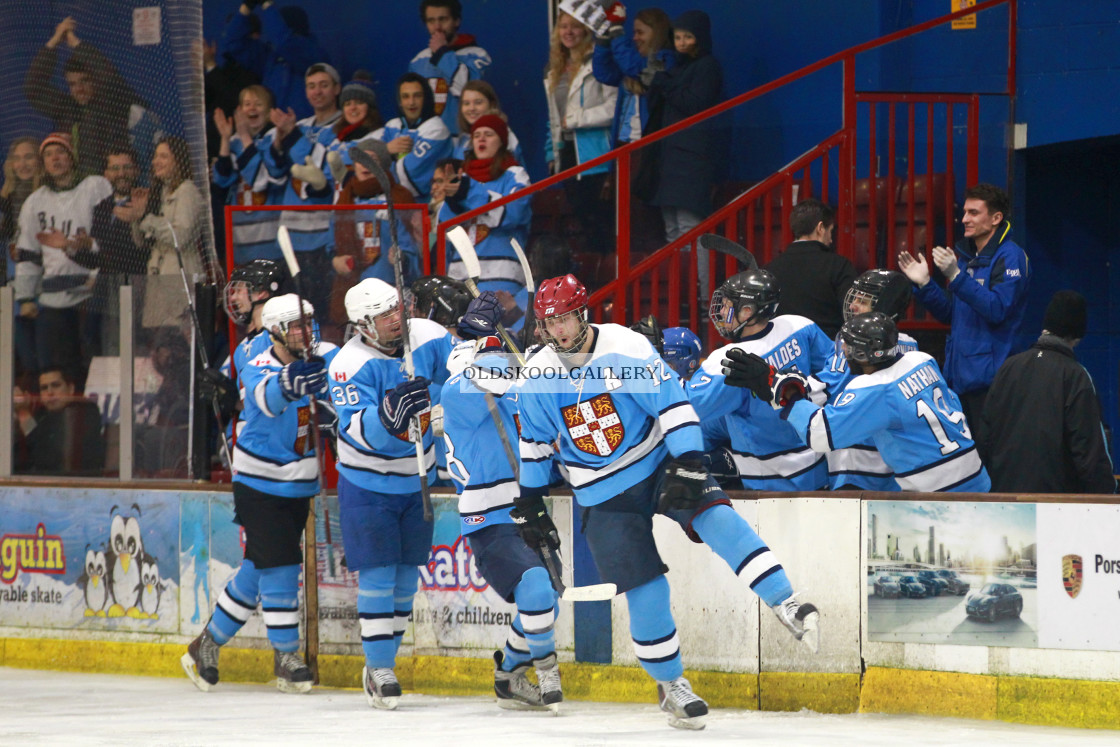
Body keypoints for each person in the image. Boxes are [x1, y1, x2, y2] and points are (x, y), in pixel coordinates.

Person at [514, 273, 819, 730]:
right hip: (600, 493)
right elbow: (535, 445)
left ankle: (785, 600)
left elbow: (673, 406)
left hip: (657, 463)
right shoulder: (536, 375)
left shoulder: (627, 347)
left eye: (566, 319)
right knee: (648, 588)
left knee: (716, 516)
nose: (559, 331)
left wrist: (691, 459)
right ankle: (673, 686)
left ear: (584, 314)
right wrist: (532, 502)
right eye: (549, 323)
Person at [182, 294, 336, 694]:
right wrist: (290, 383)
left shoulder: (326, 355)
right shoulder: (257, 359)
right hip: (258, 482)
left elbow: (346, 382)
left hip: (301, 481)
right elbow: (263, 399)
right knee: (281, 565)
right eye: (298, 326)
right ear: (277, 332)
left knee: (259, 565)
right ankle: (286, 656)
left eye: (310, 323)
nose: (308, 331)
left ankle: (207, 643)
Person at [327, 278, 454, 709]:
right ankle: (380, 667)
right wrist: (387, 417)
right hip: (368, 485)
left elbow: (463, 372)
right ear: (364, 324)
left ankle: (381, 661)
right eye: (384, 315)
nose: (396, 318)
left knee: (404, 583)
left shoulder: (428, 337)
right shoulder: (348, 364)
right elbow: (359, 432)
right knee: (380, 575)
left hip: (416, 478)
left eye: (397, 309)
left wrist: (476, 336)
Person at [440, 296, 563, 709]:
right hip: (486, 517)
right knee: (535, 587)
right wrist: (493, 342)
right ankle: (546, 669)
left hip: (527, 508)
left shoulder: (511, 385)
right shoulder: (458, 390)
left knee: (547, 600)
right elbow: (484, 375)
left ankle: (509, 674)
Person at [759, 311, 990, 493]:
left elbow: (820, 434)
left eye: (847, 346)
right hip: (977, 475)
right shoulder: (922, 359)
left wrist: (791, 396)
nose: (843, 351)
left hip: (938, 491)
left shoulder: (875, 387)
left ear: (862, 354)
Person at [898, 182, 1031, 432]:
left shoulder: (1010, 257)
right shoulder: (968, 259)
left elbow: (997, 309)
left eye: (973, 213)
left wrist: (957, 276)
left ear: (996, 218)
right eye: (965, 212)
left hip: (992, 384)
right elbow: (951, 314)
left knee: (991, 461)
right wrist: (926, 285)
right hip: (961, 379)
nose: (964, 219)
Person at [688, 269, 834, 491]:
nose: (722, 311)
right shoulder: (798, 325)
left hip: (767, 477)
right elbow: (836, 371)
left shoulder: (726, 361)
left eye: (728, 305)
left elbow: (688, 410)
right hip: (817, 462)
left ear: (747, 312)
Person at [981, 291, 1115, 494]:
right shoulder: (1076, 376)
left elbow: (985, 437)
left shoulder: (1008, 368)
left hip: (1004, 503)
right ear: (1077, 336)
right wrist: (1108, 497)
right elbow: (1090, 454)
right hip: (1055, 507)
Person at [14, 133, 112, 380]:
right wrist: (25, 298)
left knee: (92, 363)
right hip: (52, 297)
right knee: (56, 369)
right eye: (48, 154)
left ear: (71, 157)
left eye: (60, 152)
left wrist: (86, 247)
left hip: (92, 293)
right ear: (43, 162)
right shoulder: (35, 202)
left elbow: (110, 242)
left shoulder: (94, 187)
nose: (54, 159)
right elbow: (28, 254)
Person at [814, 269, 918, 490]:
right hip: (894, 460)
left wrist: (784, 386)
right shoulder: (911, 345)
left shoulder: (853, 342)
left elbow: (825, 388)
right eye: (854, 298)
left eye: (862, 301)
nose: (853, 306)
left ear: (885, 308)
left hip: (854, 461)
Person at [261, 62, 345, 319]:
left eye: (323, 85)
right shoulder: (300, 126)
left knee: (316, 312)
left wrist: (291, 137)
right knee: (291, 310)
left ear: (336, 89)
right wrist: (279, 142)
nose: (317, 91)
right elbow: (274, 173)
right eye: (311, 86)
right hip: (290, 235)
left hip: (321, 237)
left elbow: (319, 173)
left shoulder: (341, 127)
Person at [24, 17, 145, 176]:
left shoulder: (112, 102)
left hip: (108, 182)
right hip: (74, 186)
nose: (79, 89)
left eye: (84, 81)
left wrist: (75, 43)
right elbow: (33, 88)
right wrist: (54, 41)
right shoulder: (66, 108)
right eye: (72, 84)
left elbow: (108, 77)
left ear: (95, 80)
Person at [643, 10, 722, 243]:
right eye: (678, 37)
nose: (682, 43)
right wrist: (656, 81)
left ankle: (700, 281)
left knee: (691, 229)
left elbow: (695, 104)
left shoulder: (708, 67)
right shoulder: (676, 69)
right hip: (669, 161)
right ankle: (684, 279)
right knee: (673, 230)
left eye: (688, 37)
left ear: (700, 37)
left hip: (692, 162)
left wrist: (663, 83)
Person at [544, 11, 618, 255]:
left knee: (601, 222)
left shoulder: (599, 63)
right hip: (567, 155)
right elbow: (554, 118)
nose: (568, 32)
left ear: (587, 30)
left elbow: (613, 108)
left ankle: (611, 279)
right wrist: (552, 152)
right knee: (583, 222)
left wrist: (577, 119)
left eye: (575, 26)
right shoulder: (554, 70)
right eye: (563, 26)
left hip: (595, 155)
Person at [330, 139, 420, 331]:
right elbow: (330, 248)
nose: (365, 165)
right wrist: (334, 261)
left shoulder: (399, 197)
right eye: (361, 160)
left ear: (383, 165)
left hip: (389, 292)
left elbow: (412, 246)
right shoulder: (344, 200)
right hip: (352, 292)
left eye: (372, 159)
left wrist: (402, 258)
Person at [441, 115, 531, 294]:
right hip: (460, 279)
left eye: (489, 134)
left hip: (503, 278)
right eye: (477, 135)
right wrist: (453, 200)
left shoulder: (516, 175)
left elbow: (513, 214)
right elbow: (446, 231)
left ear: (502, 141)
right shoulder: (462, 180)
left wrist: (468, 191)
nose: (481, 139)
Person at [212, 84, 286, 264]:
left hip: (271, 239)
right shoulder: (234, 142)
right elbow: (221, 180)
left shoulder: (275, 138)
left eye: (258, 104)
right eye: (247, 104)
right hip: (240, 239)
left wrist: (245, 136)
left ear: (269, 111)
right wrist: (224, 138)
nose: (252, 108)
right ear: (239, 110)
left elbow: (261, 180)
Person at [220, 1, 330, 119]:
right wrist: (245, 8)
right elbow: (232, 44)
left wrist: (267, 6)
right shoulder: (269, 57)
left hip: (303, 129)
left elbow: (284, 42)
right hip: (272, 129)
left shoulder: (313, 53)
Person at [765, 199, 857, 339]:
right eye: (830, 231)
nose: (831, 239)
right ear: (820, 228)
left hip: (782, 354)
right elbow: (853, 311)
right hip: (828, 354)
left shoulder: (769, 270)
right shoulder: (839, 266)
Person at [591, 6, 675, 150]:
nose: (635, 38)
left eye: (640, 33)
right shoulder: (633, 60)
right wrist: (603, 38)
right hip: (623, 143)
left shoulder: (665, 58)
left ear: (657, 34)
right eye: (634, 32)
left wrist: (617, 30)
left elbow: (636, 68)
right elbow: (603, 73)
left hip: (648, 145)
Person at [409, 0, 492, 135]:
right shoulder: (418, 61)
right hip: (431, 141)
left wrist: (442, 53)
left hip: (467, 140)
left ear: (456, 21)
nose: (437, 27)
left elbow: (467, 89)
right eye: (431, 21)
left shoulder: (477, 56)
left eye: (443, 19)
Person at [1, 137, 45, 376]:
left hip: (44, 290)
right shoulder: (5, 199)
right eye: (17, 158)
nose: (23, 164)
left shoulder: (47, 197)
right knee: (22, 361)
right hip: (13, 291)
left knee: (42, 358)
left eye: (28, 157)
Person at [375, 73, 454, 201]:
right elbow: (368, 165)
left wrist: (385, 157)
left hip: (425, 209)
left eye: (417, 96)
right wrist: (386, 150)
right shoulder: (392, 126)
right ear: (399, 102)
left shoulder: (437, 130)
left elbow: (410, 174)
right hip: (392, 206)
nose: (411, 103)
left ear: (426, 98)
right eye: (405, 97)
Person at [13, 366, 104, 476]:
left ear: (70, 389)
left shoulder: (84, 411)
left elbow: (46, 455)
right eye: (44, 388)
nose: (50, 392)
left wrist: (23, 413)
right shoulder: (42, 414)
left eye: (55, 385)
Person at [452, 81, 524, 164]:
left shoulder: (504, 136)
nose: (471, 108)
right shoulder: (464, 138)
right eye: (466, 103)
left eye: (478, 102)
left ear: (491, 104)